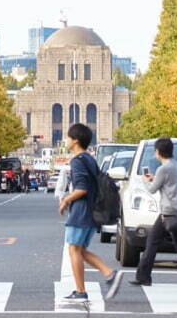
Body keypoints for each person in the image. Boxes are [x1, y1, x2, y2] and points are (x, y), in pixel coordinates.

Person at [57, 123, 120, 304]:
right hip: (91, 210)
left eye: (68, 137)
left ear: (75, 140)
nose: (66, 140)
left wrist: (66, 200)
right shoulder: (90, 159)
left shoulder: (78, 161)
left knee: (74, 249)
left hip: (81, 211)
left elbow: (82, 189)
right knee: (80, 250)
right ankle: (108, 274)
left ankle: (82, 290)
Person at [132, 137, 177, 287]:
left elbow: (152, 189)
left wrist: (146, 181)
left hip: (167, 211)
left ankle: (143, 277)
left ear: (158, 152)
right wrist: (155, 178)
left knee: (152, 242)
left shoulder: (163, 168)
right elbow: (171, 184)